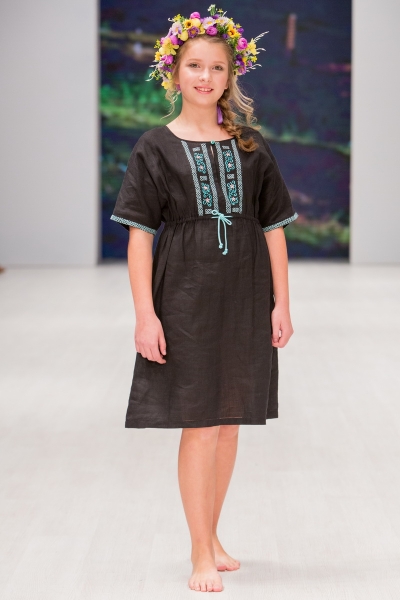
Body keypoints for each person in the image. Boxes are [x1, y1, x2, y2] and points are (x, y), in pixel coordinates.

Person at [110, 6, 298, 593]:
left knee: (230, 423)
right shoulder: (154, 147)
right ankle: (198, 552)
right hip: (184, 297)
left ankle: (213, 535)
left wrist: (281, 304)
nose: (205, 77)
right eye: (194, 65)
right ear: (174, 71)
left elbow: (274, 228)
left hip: (244, 295)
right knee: (199, 423)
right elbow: (140, 237)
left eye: (217, 67)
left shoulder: (251, 145)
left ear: (230, 75)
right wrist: (145, 315)